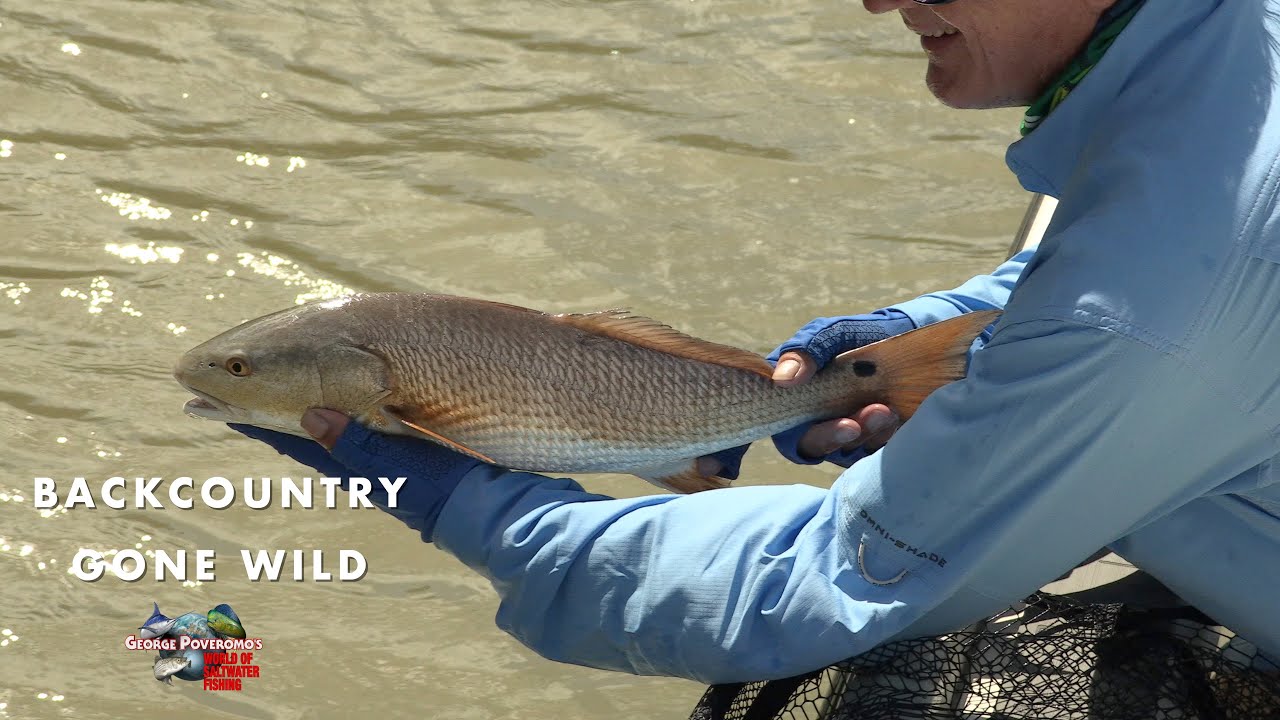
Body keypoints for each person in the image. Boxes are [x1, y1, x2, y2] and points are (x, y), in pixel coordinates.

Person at [236, 0, 1280, 686]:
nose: (871, 0)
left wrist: (484, 511)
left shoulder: (1136, 313)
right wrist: (927, 337)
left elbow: (835, 579)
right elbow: (1172, 278)